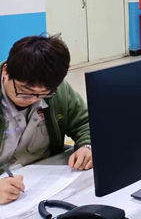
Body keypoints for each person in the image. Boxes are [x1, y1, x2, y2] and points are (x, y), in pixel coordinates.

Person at [0, 35, 92, 205]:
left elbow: (84, 123)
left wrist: (87, 146)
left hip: (46, 181)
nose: (32, 99)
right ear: (6, 71)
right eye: (24, 90)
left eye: (43, 93)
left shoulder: (57, 90)